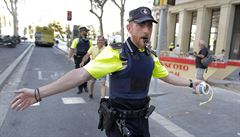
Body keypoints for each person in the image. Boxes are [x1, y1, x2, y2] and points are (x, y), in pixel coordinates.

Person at [11, 7, 202, 137]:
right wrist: (38, 93)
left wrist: (193, 83)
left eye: (149, 26)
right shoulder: (116, 52)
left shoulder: (150, 56)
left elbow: (167, 76)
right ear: (129, 27)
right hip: (121, 126)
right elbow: (81, 74)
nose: (146, 30)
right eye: (141, 25)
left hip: (142, 122)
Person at [68, 26, 92, 94]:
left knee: (86, 73)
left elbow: (91, 50)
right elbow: (72, 49)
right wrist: (69, 57)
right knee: (79, 74)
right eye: (85, 31)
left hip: (87, 58)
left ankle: (85, 86)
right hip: (79, 58)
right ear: (81, 32)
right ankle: (80, 88)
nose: (86, 32)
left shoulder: (89, 41)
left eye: (87, 31)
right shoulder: (76, 40)